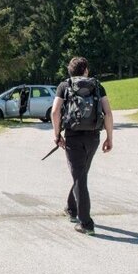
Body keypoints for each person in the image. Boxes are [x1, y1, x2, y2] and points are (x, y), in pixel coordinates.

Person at [51, 57, 114, 236]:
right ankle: (71, 209)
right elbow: (108, 113)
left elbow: (55, 111)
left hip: (73, 136)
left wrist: (56, 135)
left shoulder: (64, 86)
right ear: (85, 70)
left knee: (79, 176)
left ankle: (86, 223)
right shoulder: (97, 85)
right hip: (93, 136)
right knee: (81, 174)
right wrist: (109, 137)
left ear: (70, 71)